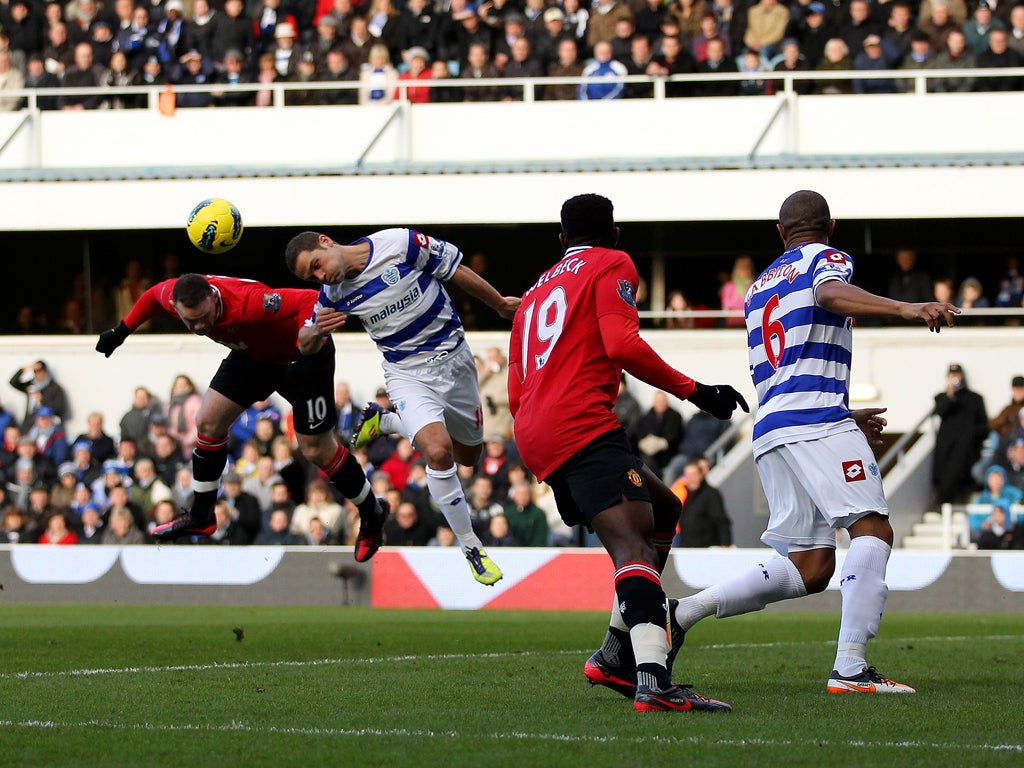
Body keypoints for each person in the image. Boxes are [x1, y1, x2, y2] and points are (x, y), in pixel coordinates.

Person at [673, 189, 959, 695]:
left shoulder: (759, 287)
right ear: (831, 226)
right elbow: (828, 293)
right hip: (813, 420)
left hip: (773, 426)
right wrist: (905, 307)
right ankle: (850, 668)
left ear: (780, 233)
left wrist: (841, 412)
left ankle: (684, 611)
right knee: (873, 529)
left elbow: (783, 368)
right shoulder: (828, 258)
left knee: (811, 565)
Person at [508, 192, 746, 712]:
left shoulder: (529, 296)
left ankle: (616, 654)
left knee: (665, 509)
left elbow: (515, 389)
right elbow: (621, 343)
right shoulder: (613, 262)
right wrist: (697, 391)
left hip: (534, 430)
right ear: (613, 233)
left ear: (562, 239)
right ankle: (654, 681)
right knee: (634, 551)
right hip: (580, 424)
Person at [94, 273, 390, 562]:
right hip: (254, 357)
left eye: (203, 317)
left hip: (300, 358)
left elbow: (309, 298)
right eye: (190, 320)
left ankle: (371, 512)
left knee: (316, 449)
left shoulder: (250, 302)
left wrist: (306, 341)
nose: (198, 326)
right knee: (207, 421)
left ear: (212, 296)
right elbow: (152, 295)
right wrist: (122, 330)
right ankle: (202, 515)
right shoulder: (177, 297)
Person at [284, 226, 520, 586]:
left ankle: (389, 422)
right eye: (311, 276)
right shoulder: (332, 295)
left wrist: (500, 304)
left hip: (456, 364)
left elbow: (457, 271)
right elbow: (305, 339)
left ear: (326, 242)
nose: (320, 276)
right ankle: (471, 546)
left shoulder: (399, 244)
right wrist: (314, 334)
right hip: (407, 374)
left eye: (317, 265)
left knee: (467, 458)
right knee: (438, 453)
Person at [932, 363, 988, 504]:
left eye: (957, 375)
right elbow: (940, 411)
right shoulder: (942, 397)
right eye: (952, 375)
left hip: (967, 448)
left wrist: (970, 435)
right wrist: (950, 393)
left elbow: (983, 424)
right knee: (946, 475)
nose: (955, 378)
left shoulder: (975, 399)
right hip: (947, 448)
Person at [674, 459, 732, 547]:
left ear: (700, 475)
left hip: (706, 547)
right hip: (685, 545)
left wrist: (725, 543)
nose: (691, 478)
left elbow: (721, 520)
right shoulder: (682, 493)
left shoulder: (711, 494)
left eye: (694, 474)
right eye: (688, 475)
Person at [9, 360, 70, 431]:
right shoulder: (31, 385)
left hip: (46, 427)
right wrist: (25, 368)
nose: (38, 374)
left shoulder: (55, 388)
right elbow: (13, 382)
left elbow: (60, 408)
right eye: (35, 371)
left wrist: (42, 399)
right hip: (28, 424)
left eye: (40, 371)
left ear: (45, 372)